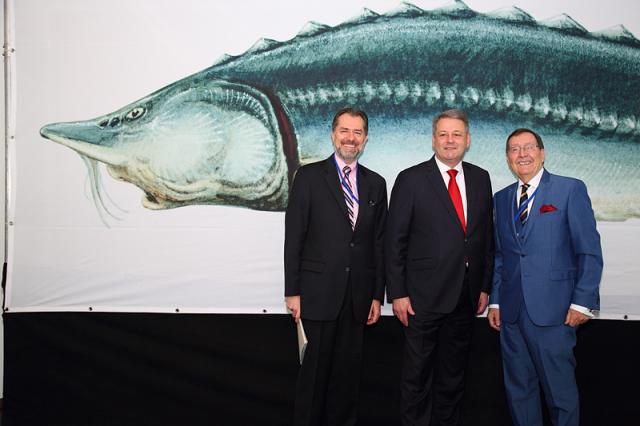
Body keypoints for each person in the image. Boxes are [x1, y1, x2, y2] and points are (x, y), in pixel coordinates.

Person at [488, 128, 603, 426]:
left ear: (542, 153)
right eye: (514, 149)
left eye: (528, 147)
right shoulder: (501, 199)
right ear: (507, 158)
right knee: (520, 392)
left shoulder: (569, 190)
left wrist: (582, 302)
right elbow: (502, 255)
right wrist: (496, 302)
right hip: (512, 315)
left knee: (560, 394)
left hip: (554, 313)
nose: (522, 154)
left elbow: (588, 251)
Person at [386, 109, 494, 425]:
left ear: (468, 140)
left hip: (466, 296)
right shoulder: (410, 178)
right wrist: (399, 294)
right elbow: (395, 242)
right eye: (444, 134)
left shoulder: (480, 177)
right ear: (433, 139)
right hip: (421, 299)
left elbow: (486, 238)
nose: (450, 141)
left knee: (453, 377)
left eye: (456, 134)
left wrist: (485, 285)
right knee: (417, 379)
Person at [284, 107, 387, 426]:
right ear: (333, 134)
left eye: (357, 132)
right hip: (317, 296)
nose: (350, 138)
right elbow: (294, 236)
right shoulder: (309, 176)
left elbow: (378, 243)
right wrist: (293, 291)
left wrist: (375, 295)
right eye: (345, 131)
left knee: (347, 382)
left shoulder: (376, 184)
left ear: (365, 139)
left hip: (357, 299)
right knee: (313, 381)